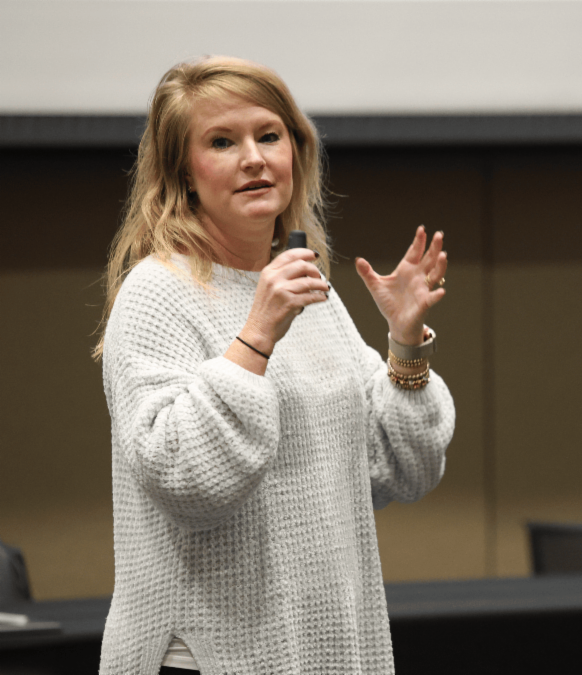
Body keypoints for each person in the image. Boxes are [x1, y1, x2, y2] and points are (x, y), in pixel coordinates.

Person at [94, 56, 454, 674]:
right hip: (204, 657)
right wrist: (257, 335)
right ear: (184, 172)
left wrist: (405, 346)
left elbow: (402, 470)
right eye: (222, 142)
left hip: (327, 649)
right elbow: (184, 477)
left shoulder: (311, 293)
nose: (254, 158)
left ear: (297, 151)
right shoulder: (155, 293)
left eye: (269, 135)